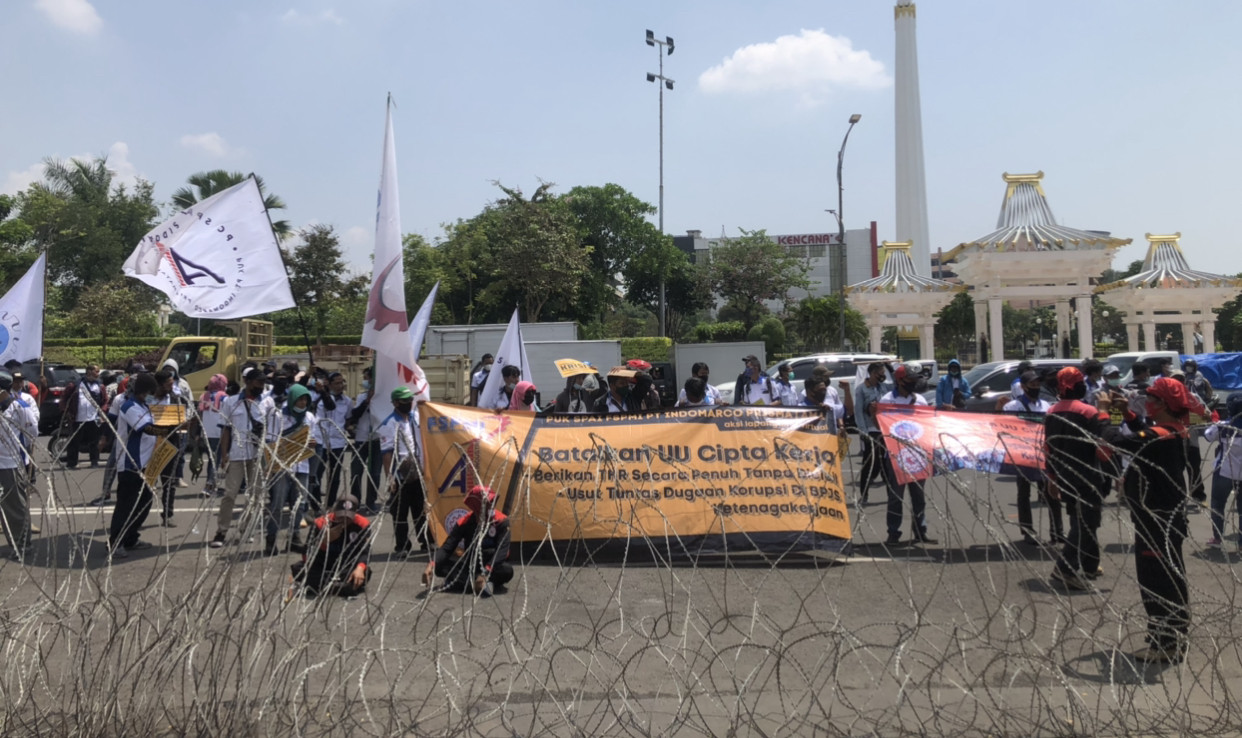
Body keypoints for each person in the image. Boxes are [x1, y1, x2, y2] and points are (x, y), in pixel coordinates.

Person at [1107, 377, 1204, 663]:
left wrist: (1106, 414)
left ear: (1163, 404)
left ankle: (1165, 642)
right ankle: (1173, 634)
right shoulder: (1173, 430)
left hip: (1155, 519)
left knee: (1157, 580)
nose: (1146, 401)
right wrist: (1127, 414)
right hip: (1161, 517)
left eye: (1152, 398)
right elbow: (1144, 434)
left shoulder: (1161, 435)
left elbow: (1116, 440)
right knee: (1169, 576)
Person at [1043, 367, 1112, 590]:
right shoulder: (1089, 412)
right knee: (1087, 522)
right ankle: (1065, 568)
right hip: (1088, 476)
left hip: (1065, 475)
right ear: (1077, 386)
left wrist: (1052, 478)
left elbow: (1048, 448)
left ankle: (1090, 564)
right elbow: (1104, 444)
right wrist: (1104, 412)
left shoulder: (1052, 411)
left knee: (1078, 519)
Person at [108, 372, 175, 559]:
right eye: (149, 391)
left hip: (146, 464)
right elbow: (145, 428)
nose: (152, 394)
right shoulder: (128, 407)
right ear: (142, 391)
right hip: (131, 464)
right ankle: (116, 542)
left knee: (144, 502)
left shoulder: (144, 406)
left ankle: (130, 537)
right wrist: (170, 428)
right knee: (126, 505)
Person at [210, 367, 278, 548]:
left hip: (258, 455)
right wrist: (224, 455)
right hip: (237, 454)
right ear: (247, 382)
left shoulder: (268, 402)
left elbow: (271, 432)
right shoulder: (231, 402)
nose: (261, 386)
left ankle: (247, 529)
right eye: (258, 382)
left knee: (255, 496)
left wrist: (269, 458)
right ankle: (221, 531)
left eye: (263, 382)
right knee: (230, 494)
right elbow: (226, 430)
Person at [878, 362, 935, 545]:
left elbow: (926, 425)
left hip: (917, 454)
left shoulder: (920, 400)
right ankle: (893, 532)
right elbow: (881, 427)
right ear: (901, 381)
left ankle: (920, 530)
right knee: (896, 497)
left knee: (918, 496)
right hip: (896, 456)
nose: (914, 383)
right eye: (911, 379)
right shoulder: (887, 401)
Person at [1003, 370, 1061, 546]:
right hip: (1022, 454)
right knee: (1024, 493)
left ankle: (1057, 531)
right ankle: (1028, 531)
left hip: (1044, 454)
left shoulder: (1046, 405)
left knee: (1051, 492)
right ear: (1023, 387)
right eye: (1032, 385)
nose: (1035, 388)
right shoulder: (1012, 407)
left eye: (1038, 385)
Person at [423, 485, 513, 594]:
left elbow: (502, 551)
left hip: (491, 565)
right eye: (487, 503)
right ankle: (480, 584)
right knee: (440, 566)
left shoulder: (501, 521)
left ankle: (468, 583)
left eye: (491, 502)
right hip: (470, 565)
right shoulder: (465, 522)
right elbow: (447, 548)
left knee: (507, 571)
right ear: (476, 507)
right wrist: (431, 564)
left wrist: (486, 570)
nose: (491, 506)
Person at [290, 495, 373, 598]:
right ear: (334, 511)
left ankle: (326, 587)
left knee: (365, 572)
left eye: (348, 518)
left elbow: (365, 551)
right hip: (323, 564)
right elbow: (306, 554)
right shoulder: (321, 523)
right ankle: (340, 588)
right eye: (340, 517)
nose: (343, 521)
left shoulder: (362, 524)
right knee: (299, 569)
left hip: (346, 564)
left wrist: (360, 568)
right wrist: (324, 541)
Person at [267, 384, 317, 555]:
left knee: (299, 503)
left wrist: (312, 444)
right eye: (300, 399)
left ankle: (294, 537)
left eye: (305, 400)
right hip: (282, 465)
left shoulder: (309, 417)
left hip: (302, 465)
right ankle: (271, 539)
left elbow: (313, 438)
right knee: (278, 503)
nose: (302, 403)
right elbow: (270, 440)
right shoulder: (279, 416)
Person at [379, 386, 425, 556]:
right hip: (401, 474)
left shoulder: (414, 418)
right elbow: (386, 453)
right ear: (396, 403)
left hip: (417, 471)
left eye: (410, 400)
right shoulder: (389, 423)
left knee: (420, 510)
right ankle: (402, 546)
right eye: (406, 401)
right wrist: (390, 478)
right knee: (400, 512)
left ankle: (426, 542)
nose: (409, 403)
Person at [0, 371, 38, 562]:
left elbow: (32, 431)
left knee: (14, 506)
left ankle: (22, 544)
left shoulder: (19, 407)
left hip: (10, 463)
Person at [1205, 393, 1242, 547]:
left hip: (1224, 471)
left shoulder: (1222, 425)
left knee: (1218, 504)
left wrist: (1209, 418)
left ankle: (1218, 538)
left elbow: (1208, 436)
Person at [854, 361, 893, 504]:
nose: (882, 376)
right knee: (869, 462)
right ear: (871, 373)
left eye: (883, 373)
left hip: (883, 430)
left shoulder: (884, 388)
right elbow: (858, 411)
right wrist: (863, 432)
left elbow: (896, 388)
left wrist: (890, 368)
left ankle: (891, 495)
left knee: (885, 463)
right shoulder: (862, 389)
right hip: (870, 430)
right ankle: (864, 494)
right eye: (880, 373)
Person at [314, 372, 352, 509]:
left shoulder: (347, 401)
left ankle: (330, 505)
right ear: (329, 384)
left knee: (335, 476)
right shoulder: (320, 398)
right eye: (336, 383)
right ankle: (315, 503)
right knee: (317, 474)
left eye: (342, 382)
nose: (340, 385)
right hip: (321, 442)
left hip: (338, 442)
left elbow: (347, 420)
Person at [348, 367, 382, 514]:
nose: (366, 381)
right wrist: (367, 401)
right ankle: (355, 501)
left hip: (377, 439)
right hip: (362, 439)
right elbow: (354, 415)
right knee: (356, 471)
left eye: (368, 378)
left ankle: (371, 502)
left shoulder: (383, 398)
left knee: (374, 473)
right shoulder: (362, 397)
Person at [64, 364, 105, 469]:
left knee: (94, 441)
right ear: (89, 371)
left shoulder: (100, 386)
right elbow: (65, 399)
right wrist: (67, 412)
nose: (98, 374)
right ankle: (72, 463)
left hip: (94, 418)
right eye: (96, 371)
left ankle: (94, 461)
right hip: (77, 418)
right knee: (74, 441)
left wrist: (102, 413)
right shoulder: (76, 385)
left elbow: (105, 401)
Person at [197, 374, 228, 497]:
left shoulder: (204, 396)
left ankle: (212, 484)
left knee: (212, 458)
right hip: (219, 432)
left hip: (207, 432)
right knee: (216, 459)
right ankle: (209, 485)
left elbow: (199, 414)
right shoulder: (224, 398)